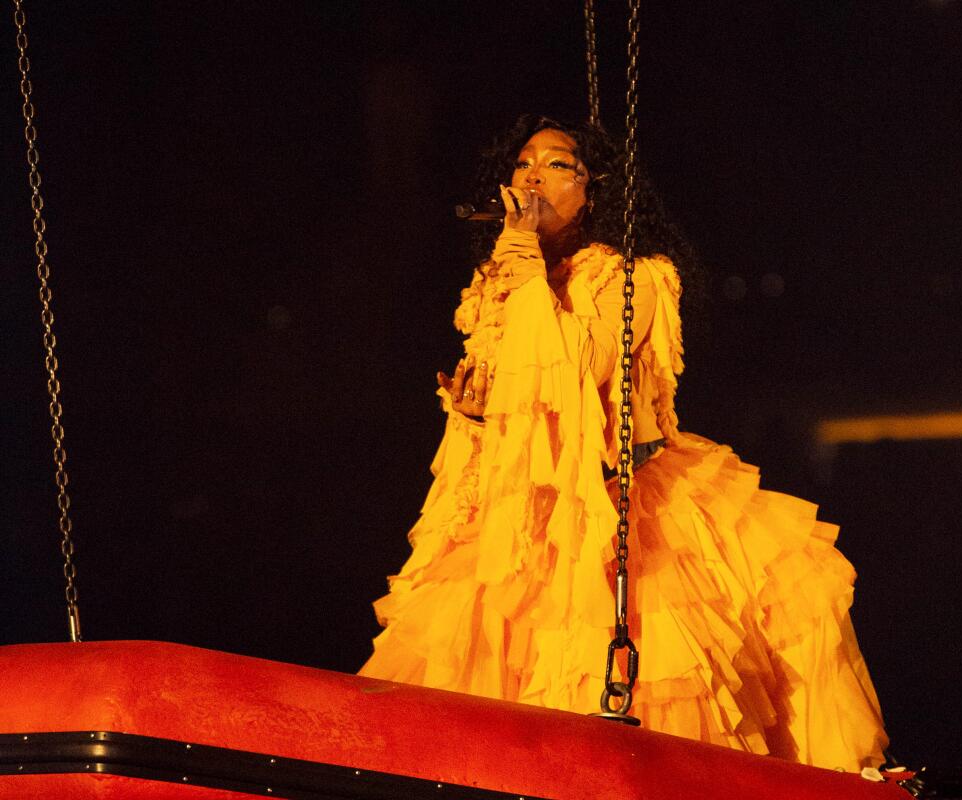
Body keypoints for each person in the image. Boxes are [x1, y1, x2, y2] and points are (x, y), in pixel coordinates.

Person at [360, 115, 888, 771]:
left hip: (625, 505)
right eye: (522, 163)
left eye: (555, 164)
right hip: (530, 516)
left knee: (638, 688)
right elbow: (524, 419)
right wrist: (474, 414)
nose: (530, 177)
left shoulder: (631, 276)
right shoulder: (498, 285)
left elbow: (579, 367)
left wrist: (522, 252)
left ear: (596, 184)